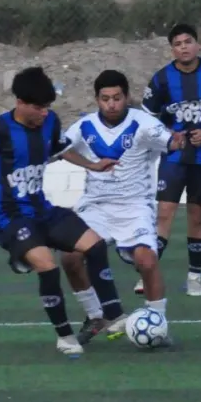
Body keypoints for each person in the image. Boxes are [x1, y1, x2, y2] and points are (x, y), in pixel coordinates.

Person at [0, 66, 127, 358]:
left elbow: (60, 150)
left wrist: (93, 165)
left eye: (48, 107)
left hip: (43, 210)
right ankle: (64, 336)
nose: (44, 113)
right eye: (38, 107)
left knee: (95, 245)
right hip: (11, 218)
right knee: (48, 266)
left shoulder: (50, 123)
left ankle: (107, 315)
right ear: (20, 103)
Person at [59, 70, 185, 346]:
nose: (112, 104)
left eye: (117, 98)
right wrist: (89, 164)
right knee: (69, 256)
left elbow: (172, 141)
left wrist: (179, 139)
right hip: (95, 206)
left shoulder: (143, 123)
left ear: (126, 97)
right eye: (105, 99)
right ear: (97, 99)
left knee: (147, 261)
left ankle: (157, 324)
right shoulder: (85, 126)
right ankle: (96, 316)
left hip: (134, 206)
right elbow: (61, 148)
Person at [139, 23, 201, 297]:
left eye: (187, 41)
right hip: (173, 158)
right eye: (177, 44)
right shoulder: (161, 79)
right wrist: (169, 134)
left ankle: (194, 277)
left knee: (197, 216)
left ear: (197, 45)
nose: (183, 47)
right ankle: (148, 274)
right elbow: (147, 118)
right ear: (172, 49)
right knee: (164, 214)